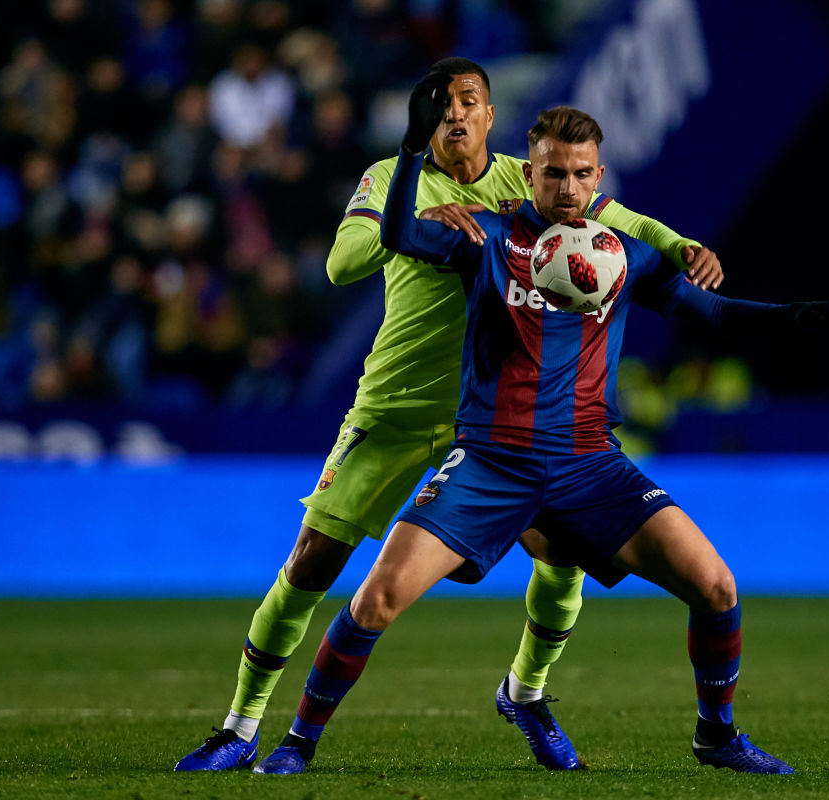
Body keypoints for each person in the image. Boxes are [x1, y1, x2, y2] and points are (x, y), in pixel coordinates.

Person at [245, 77, 829, 776]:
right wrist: (414, 154)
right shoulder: (484, 238)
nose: (566, 188)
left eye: (579, 175)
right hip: (490, 461)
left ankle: (714, 736)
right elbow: (389, 234)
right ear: (526, 174)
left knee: (717, 588)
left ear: (597, 178)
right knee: (377, 598)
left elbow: (708, 311)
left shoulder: (623, 255)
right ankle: (297, 742)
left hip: (589, 464)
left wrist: (789, 318)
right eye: (551, 173)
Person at [174, 57, 725, 773]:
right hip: (400, 409)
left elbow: (621, 218)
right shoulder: (388, 178)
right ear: (426, 122)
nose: (455, 113)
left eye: (469, 100)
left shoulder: (524, 177)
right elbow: (343, 263)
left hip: (501, 424)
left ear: (491, 116)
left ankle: (526, 693)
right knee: (312, 564)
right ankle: (240, 727)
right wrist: (413, 216)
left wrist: (679, 246)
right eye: (441, 105)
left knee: (563, 561)